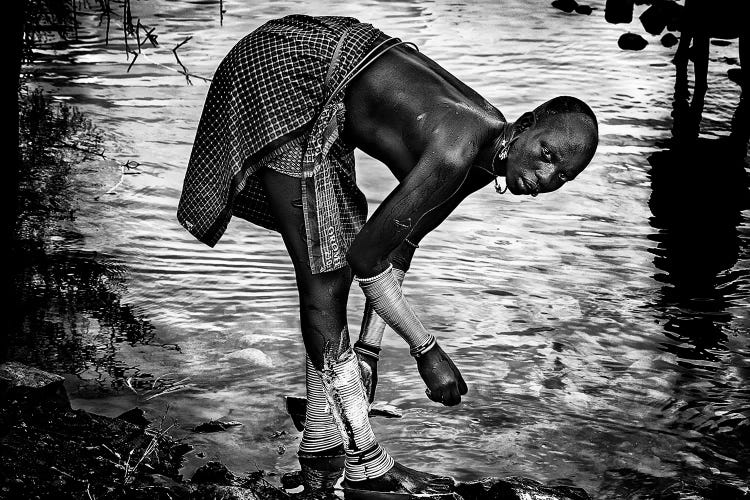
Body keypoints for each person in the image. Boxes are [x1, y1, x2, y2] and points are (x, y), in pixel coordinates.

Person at [178, 14, 598, 496]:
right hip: (289, 71)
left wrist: (370, 350)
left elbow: (400, 243)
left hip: (329, 83)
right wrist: (427, 351)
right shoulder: (455, 151)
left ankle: (320, 439)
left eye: (562, 176)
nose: (546, 177)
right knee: (325, 274)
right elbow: (365, 260)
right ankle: (366, 462)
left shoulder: (481, 158)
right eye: (547, 154)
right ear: (524, 127)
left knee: (338, 252)